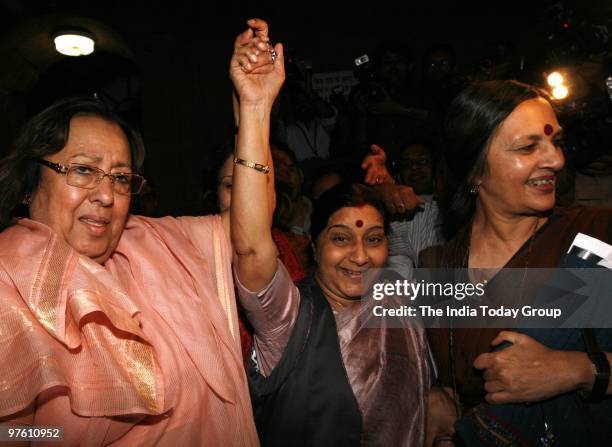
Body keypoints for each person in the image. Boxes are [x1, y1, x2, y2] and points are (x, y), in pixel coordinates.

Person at [0, 19, 280, 445]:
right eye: (82, 171)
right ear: (29, 182)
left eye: (121, 177)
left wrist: (255, 108)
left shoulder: (157, 244)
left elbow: (249, 230)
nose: (106, 195)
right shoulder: (7, 282)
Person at [229, 20, 442, 447]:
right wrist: (254, 110)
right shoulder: (289, 317)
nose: (360, 256)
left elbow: (509, 300)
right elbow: (252, 248)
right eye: (341, 238)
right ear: (314, 242)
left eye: (374, 238)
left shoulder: (397, 294)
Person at [425, 80, 612, 445]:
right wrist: (434, 398)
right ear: (474, 171)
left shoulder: (596, 238)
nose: (556, 160)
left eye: (556, 141)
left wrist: (578, 370)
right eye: (529, 147)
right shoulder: (439, 265)